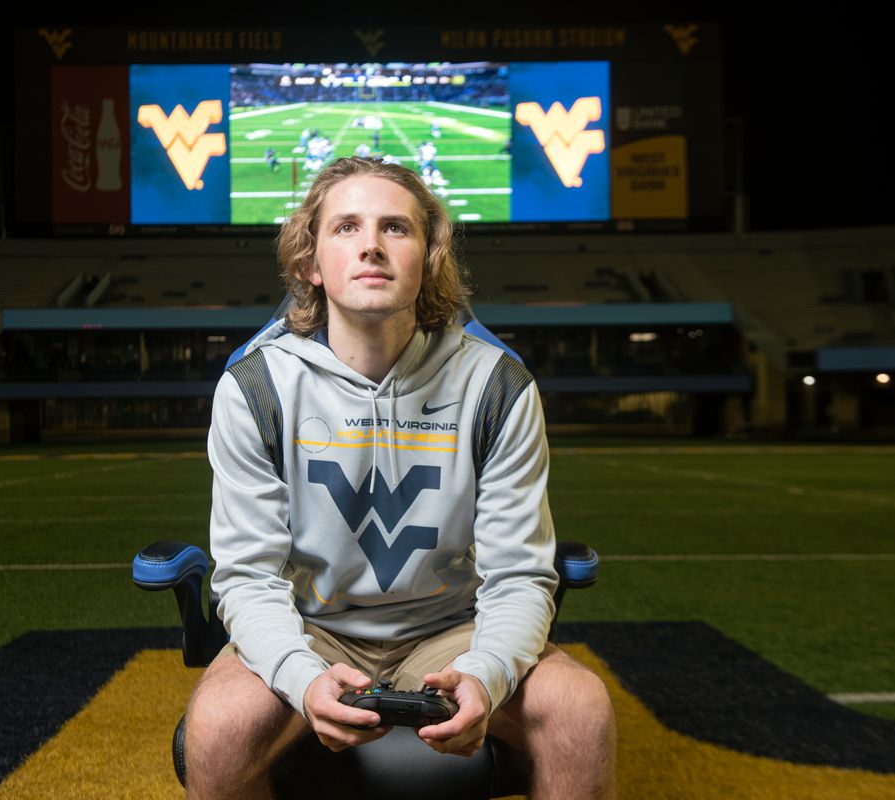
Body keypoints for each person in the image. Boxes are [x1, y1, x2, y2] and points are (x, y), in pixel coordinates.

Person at [184, 157, 616, 800]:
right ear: (310, 263)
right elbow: (248, 575)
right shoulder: (257, 387)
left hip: (450, 627)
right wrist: (301, 675)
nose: (370, 246)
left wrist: (487, 671)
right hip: (314, 627)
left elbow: (519, 574)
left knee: (582, 711)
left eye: (396, 229)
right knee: (218, 727)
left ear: (429, 257)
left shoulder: (496, 385)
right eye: (346, 227)